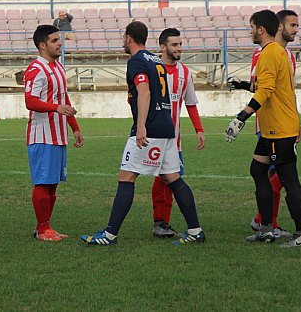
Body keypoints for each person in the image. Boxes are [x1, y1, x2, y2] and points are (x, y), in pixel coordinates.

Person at [81, 21, 205, 246]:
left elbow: (144, 91)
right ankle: (196, 230)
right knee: (173, 178)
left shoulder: (136, 61)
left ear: (128, 37)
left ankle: (109, 235)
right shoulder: (156, 60)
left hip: (151, 128)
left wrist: (141, 126)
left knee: (126, 177)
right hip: (167, 127)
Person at [224, 9, 301, 247]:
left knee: (289, 179)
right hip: (273, 127)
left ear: (261, 29)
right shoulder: (275, 52)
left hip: (279, 129)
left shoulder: (270, 53)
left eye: (252, 27)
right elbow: (266, 85)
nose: (250, 31)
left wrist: (241, 117)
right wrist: (243, 84)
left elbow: (266, 91)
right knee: (257, 170)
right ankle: (266, 228)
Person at [24, 25, 84, 241]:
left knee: (52, 184)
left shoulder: (58, 67)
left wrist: (74, 127)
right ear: (42, 45)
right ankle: (42, 230)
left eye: (60, 40)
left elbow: (63, 99)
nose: (60, 44)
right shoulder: (36, 69)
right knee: (43, 183)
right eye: (55, 40)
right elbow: (30, 101)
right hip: (42, 135)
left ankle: (46, 226)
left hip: (58, 134)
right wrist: (56, 108)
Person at [151, 28, 205, 238]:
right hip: (153, 136)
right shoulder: (152, 69)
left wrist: (199, 129)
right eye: (174, 45)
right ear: (162, 47)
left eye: (180, 44)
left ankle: (161, 223)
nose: (179, 48)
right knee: (158, 179)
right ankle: (159, 222)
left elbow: (190, 103)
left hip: (174, 140)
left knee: (167, 179)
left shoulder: (184, 72)